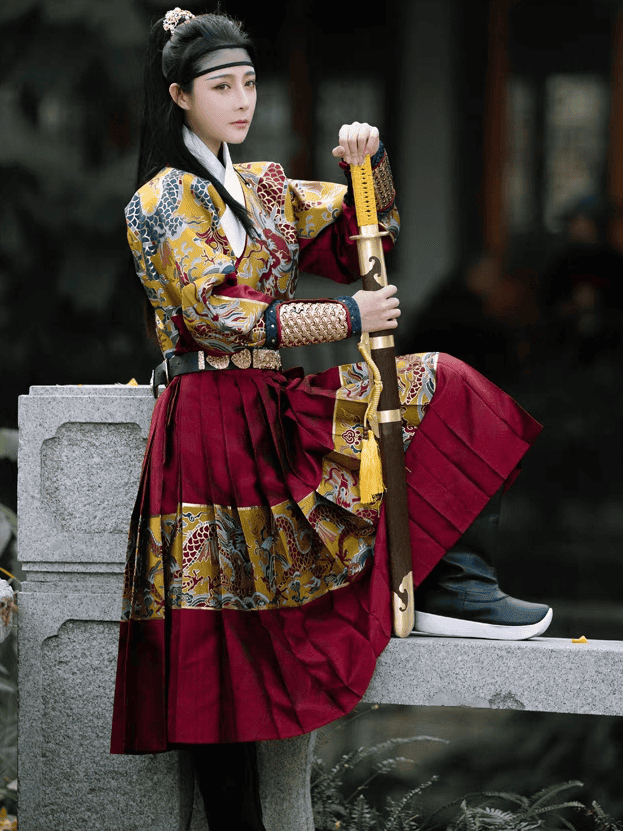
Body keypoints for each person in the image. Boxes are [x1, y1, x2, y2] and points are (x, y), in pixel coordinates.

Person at [111, 8, 552, 829]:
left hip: (270, 405)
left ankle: (453, 575)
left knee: (439, 383)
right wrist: (345, 317)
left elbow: (367, 233)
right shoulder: (161, 198)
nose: (240, 100)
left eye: (248, 82)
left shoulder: (268, 187)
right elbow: (217, 314)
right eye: (220, 87)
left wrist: (368, 163)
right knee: (219, 646)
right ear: (179, 97)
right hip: (206, 419)